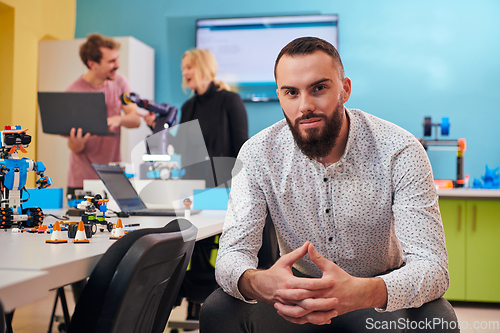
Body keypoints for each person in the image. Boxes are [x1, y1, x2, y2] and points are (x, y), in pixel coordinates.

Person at [200, 37, 459, 332]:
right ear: (280, 96)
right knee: (219, 310)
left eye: (319, 88)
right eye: (291, 93)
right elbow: (232, 255)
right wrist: (260, 283)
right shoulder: (258, 154)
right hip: (298, 294)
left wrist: (360, 292)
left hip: (376, 294)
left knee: (438, 319)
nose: (305, 106)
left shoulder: (399, 150)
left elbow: (433, 267)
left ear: (345, 89)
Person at [65, 33, 141, 197]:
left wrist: (118, 119)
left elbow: (135, 120)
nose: (117, 65)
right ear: (92, 64)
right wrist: (77, 142)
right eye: (111, 61)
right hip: (81, 181)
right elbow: (74, 147)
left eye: (117, 59)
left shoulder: (120, 83)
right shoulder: (73, 92)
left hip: (112, 178)